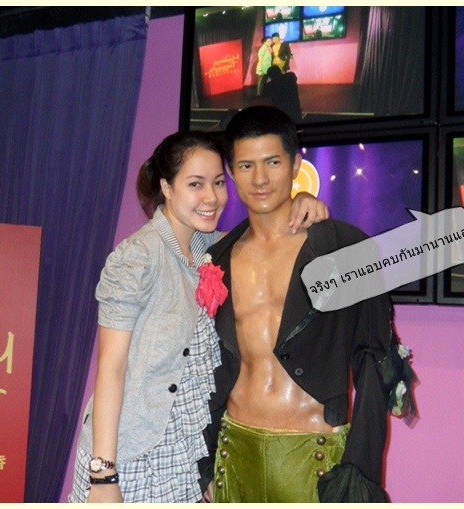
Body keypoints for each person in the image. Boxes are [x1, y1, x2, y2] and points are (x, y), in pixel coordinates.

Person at [68, 130, 329, 503]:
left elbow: (264, 233)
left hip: (186, 454)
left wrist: (300, 202)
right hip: (130, 454)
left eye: (218, 183)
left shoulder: (210, 246)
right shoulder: (137, 257)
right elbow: (111, 369)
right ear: (167, 187)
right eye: (195, 184)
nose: (211, 197)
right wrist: (104, 475)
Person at [198, 106, 416, 503]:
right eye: (246, 165)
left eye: (273, 162)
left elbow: (373, 359)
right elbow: (204, 368)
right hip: (234, 450)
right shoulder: (218, 259)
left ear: (296, 164)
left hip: (314, 455)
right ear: (231, 171)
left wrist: (360, 471)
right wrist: (205, 461)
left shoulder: (343, 248)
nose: (260, 179)